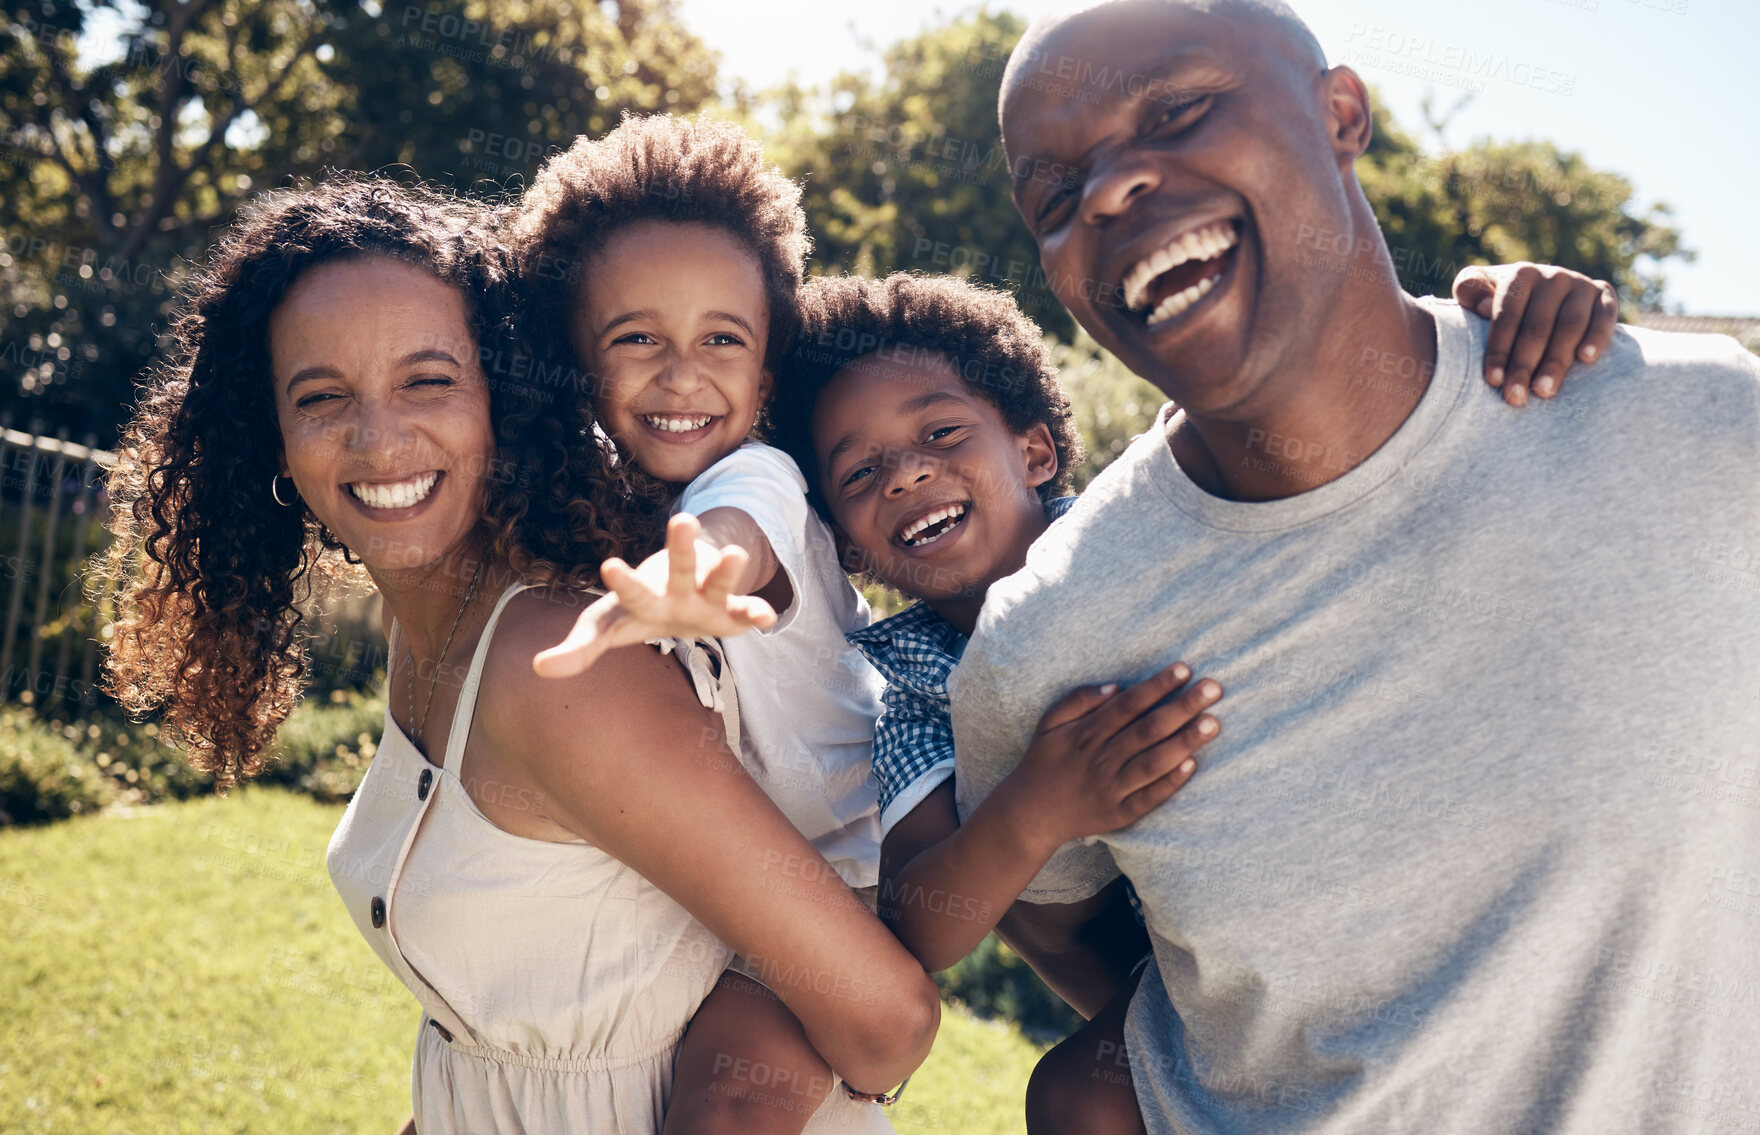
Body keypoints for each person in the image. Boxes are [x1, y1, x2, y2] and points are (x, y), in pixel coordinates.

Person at [948, 2, 1760, 1133]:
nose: (1108, 192)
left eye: (1175, 111)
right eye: (1053, 195)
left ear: (1340, 115)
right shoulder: (1050, 640)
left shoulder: (1699, 428)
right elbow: (1045, 915)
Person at [99, 174, 939, 1135]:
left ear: (506, 393)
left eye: (428, 379)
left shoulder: (555, 662)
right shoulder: (426, 623)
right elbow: (506, 1040)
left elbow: (887, 1016)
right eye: (322, 396)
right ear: (273, 438)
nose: (379, 438)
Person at [772, 262, 1625, 1134]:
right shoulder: (911, 686)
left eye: (942, 433)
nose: (907, 475)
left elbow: (1302, 402)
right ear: (849, 547)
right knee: (1074, 1096)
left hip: (1387, 862)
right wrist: (1034, 808)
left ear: (1033, 452)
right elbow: (920, 927)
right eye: (863, 472)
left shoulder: (1156, 526)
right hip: (1214, 985)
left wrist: (1497, 302)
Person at [512, 114, 904, 1131]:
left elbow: (739, 541)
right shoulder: (580, 509)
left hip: (840, 881)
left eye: (719, 340)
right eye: (636, 337)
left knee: (727, 1096)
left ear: (763, 377)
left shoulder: (753, 475)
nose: (682, 374)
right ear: (574, 362)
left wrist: (693, 582)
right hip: (718, 885)